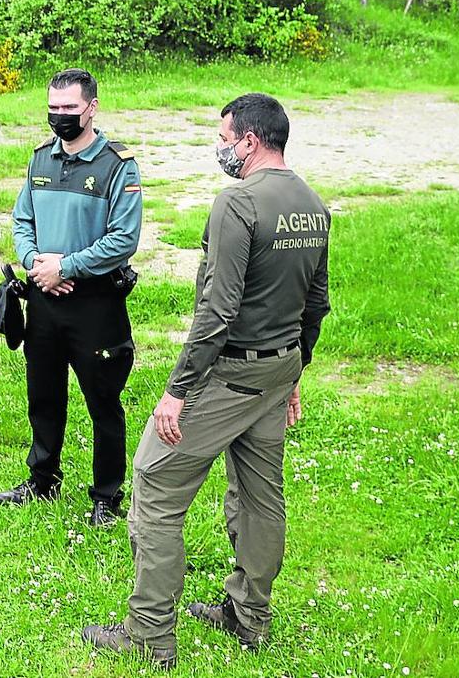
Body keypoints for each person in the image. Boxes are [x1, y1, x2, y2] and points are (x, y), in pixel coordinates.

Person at [82, 93, 332, 669]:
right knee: (260, 494)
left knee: (154, 483)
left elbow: (217, 310)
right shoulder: (311, 204)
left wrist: (178, 390)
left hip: (230, 374)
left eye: (224, 137)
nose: (220, 147)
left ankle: (148, 632)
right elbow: (315, 302)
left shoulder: (237, 203)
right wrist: (296, 369)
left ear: (248, 140)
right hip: (277, 370)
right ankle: (250, 618)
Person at [0, 68, 142, 527]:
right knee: (43, 396)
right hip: (43, 299)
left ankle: (106, 496)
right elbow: (22, 221)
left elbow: (124, 239)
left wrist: (68, 266)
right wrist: (37, 263)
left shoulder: (118, 166)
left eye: (69, 109)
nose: (59, 117)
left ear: (92, 107)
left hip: (95, 305)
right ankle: (42, 480)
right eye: (53, 108)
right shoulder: (40, 159)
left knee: (103, 402)